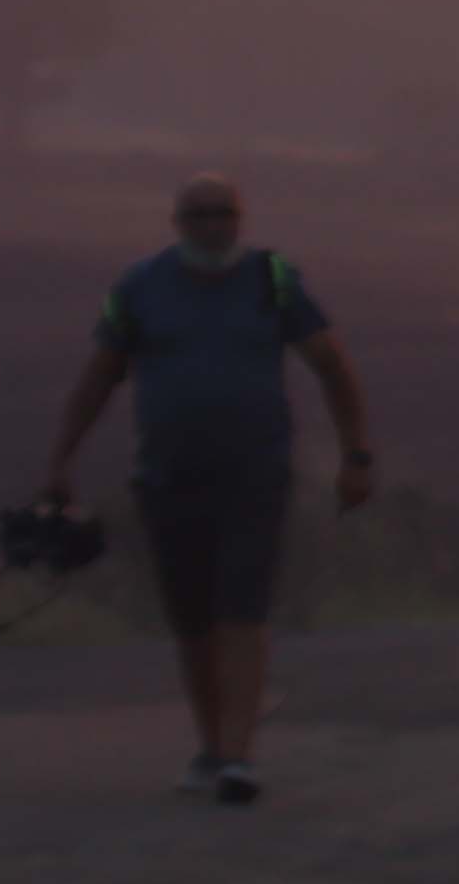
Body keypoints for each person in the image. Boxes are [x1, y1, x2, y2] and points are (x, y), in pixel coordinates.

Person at [38, 174, 376, 807]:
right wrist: (61, 459)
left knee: (241, 611)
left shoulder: (274, 281)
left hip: (255, 472)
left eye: (226, 213)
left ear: (241, 219)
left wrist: (356, 455)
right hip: (166, 477)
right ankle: (213, 747)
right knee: (192, 620)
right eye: (200, 215)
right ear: (176, 222)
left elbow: (332, 366)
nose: (214, 225)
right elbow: (97, 379)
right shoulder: (138, 288)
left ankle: (239, 759)